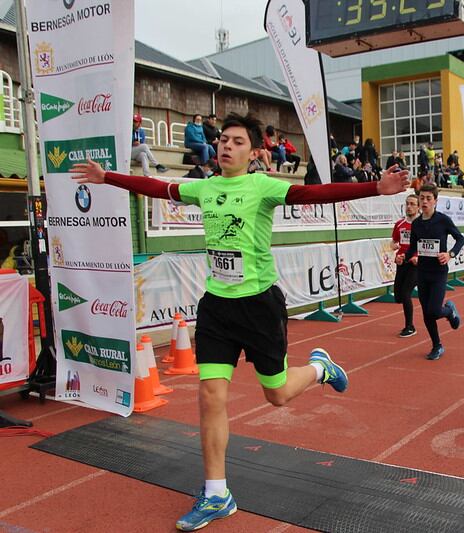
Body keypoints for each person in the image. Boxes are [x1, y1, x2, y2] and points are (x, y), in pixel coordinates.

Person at [69, 112, 409, 532]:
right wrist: (110, 178)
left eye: (236, 142)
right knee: (210, 394)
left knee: (278, 395)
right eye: (223, 140)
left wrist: (375, 187)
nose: (226, 147)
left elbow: (313, 195)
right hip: (217, 307)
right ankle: (216, 493)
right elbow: (159, 187)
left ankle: (321, 368)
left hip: (259, 306)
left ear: (253, 152)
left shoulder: (261, 185)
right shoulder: (204, 187)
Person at [399, 183, 464, 360]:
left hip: (438, 273)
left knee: (435, 310)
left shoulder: (443, 220)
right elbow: (413, 248)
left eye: (428, 198)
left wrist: (450, 254)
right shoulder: (417, 224)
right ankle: (437, 346)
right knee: (426, 313)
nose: (424, 201)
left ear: (435, 201)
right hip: (422, 273)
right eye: (422, 198)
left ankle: (449, 312)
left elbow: (460, 239)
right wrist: (403, 257)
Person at [392, 194, 420, 337]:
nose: (409, 207)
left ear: (418, 207)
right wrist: (395, 249)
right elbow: (394, 242)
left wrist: (416, 257)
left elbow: (426, 245)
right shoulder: (399, 224)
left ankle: (410, 326)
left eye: (412, 204)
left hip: (415, 264)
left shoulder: (422, 224)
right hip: (401, 262)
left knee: (406, 293)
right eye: (407, 203)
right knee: (398, 296)